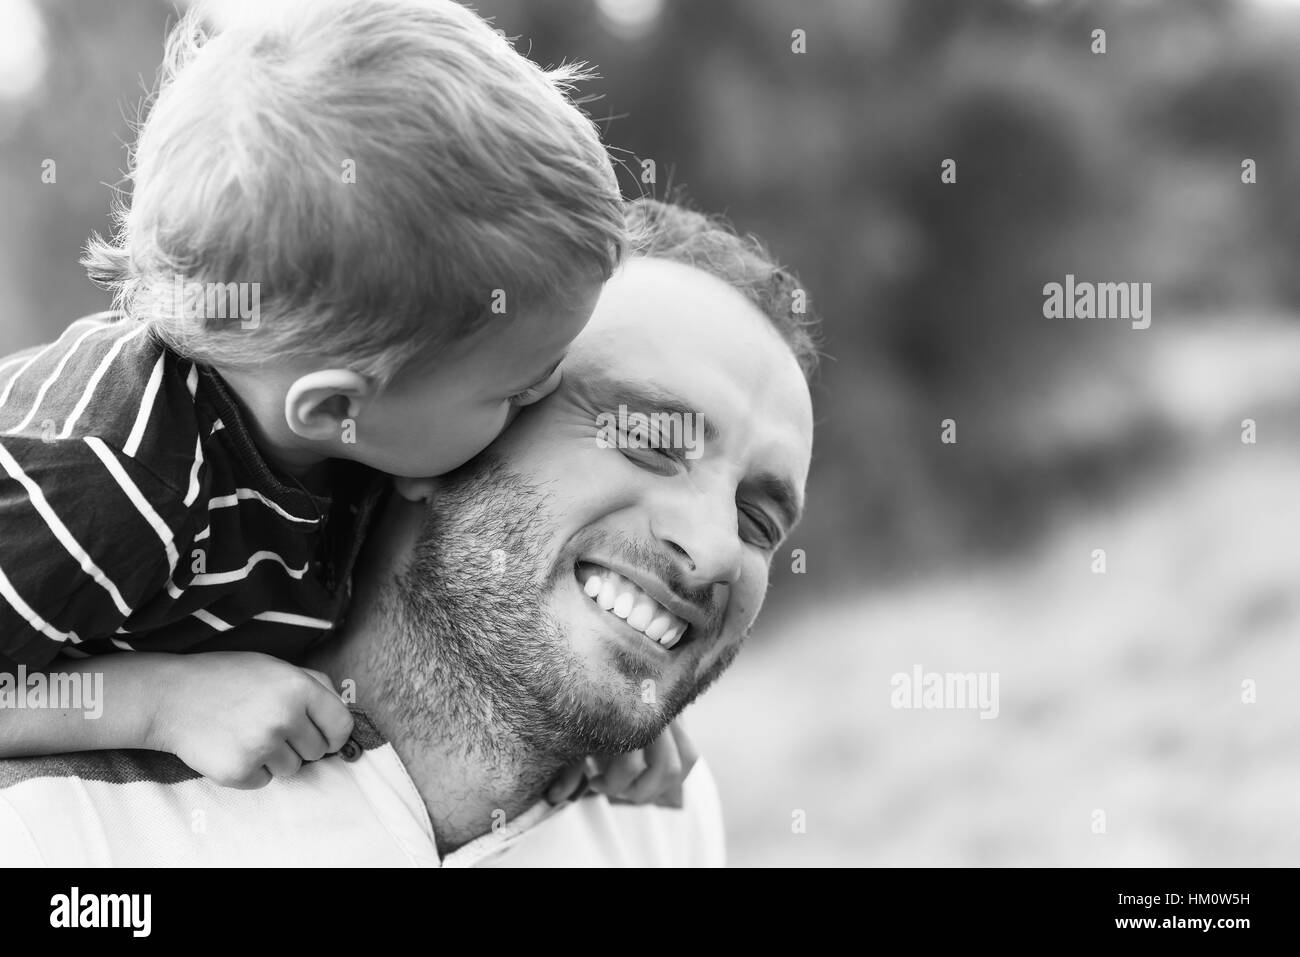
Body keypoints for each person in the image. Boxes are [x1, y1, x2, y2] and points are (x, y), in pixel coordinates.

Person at [0, 0, 688, 800]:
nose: (547, 389)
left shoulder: (363, 424)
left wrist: (594, 681)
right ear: (332, 408)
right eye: (515, 385)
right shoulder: (107, 485)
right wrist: (158, 703)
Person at [0, 198, 819, 866]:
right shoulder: (53, 829)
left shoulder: (661, 824)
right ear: (444, 432)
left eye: (758, 519)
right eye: (647, 436)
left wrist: (610, 680)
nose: (713, 548)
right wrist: (146, 704)